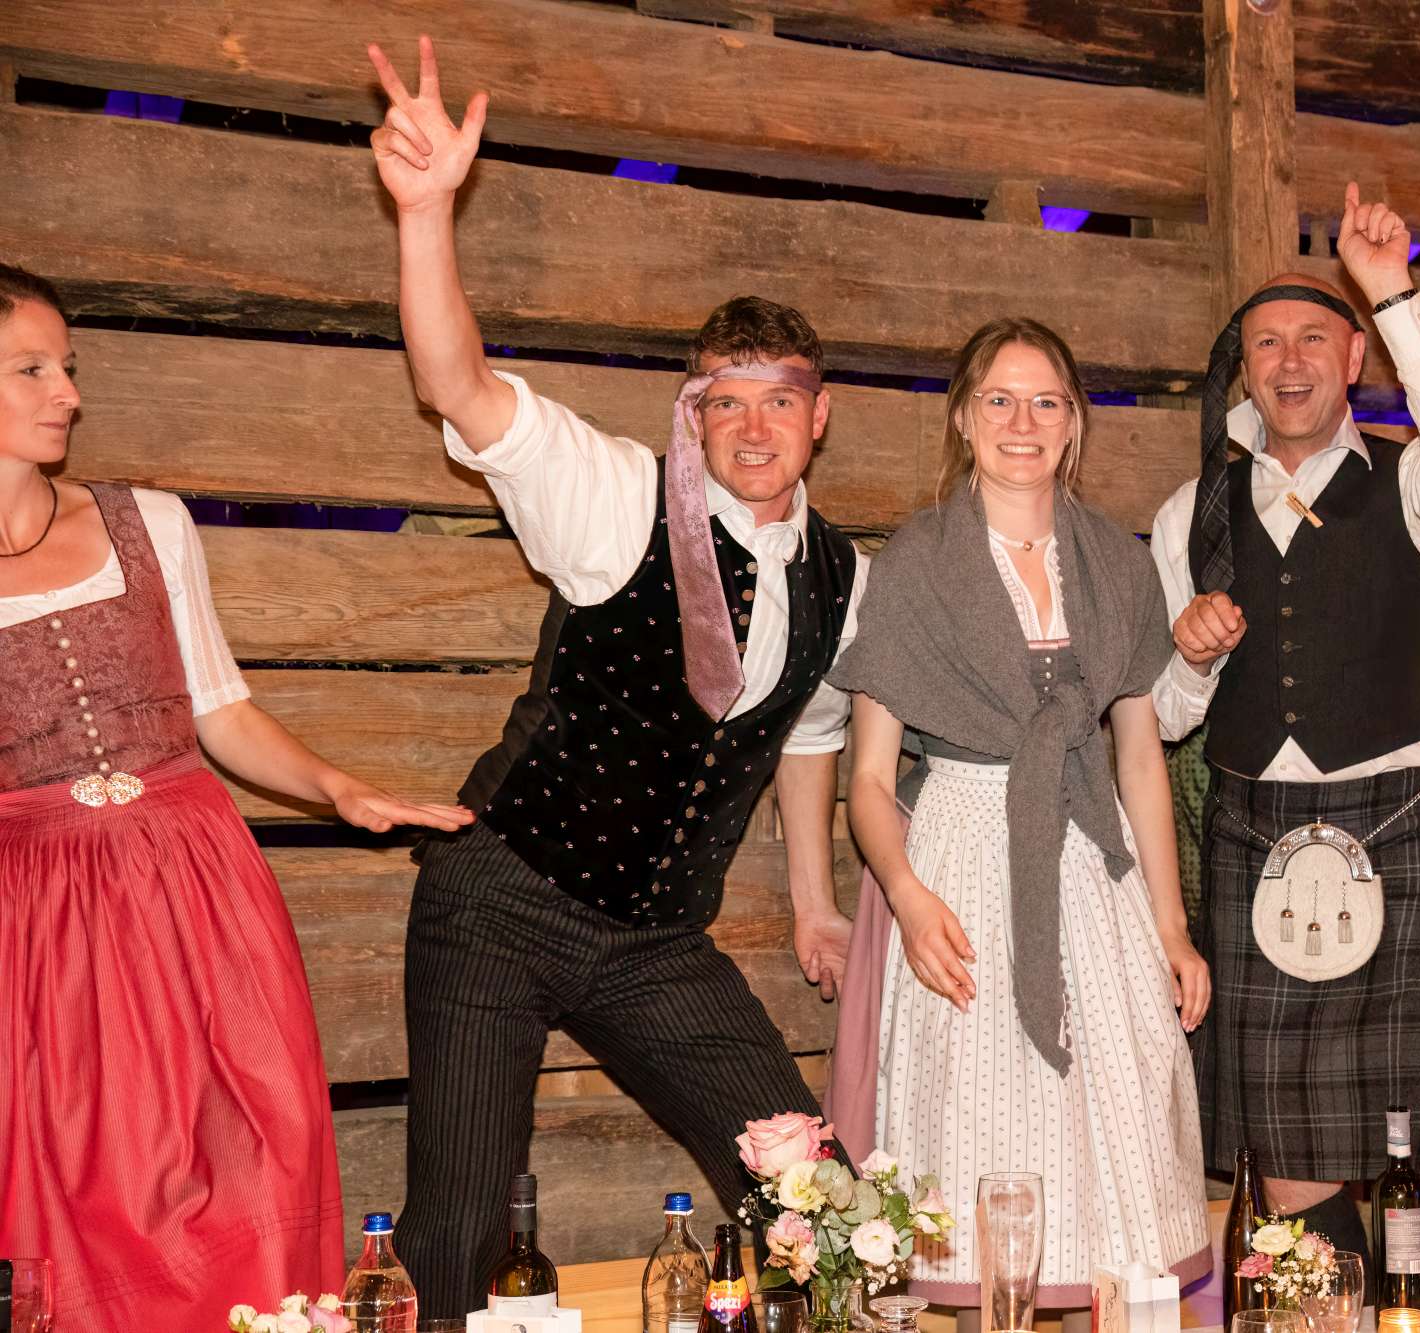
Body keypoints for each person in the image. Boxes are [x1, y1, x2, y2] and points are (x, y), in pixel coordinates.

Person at [364, 40, 863, 1314]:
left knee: (819, 1204)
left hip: (654, 938)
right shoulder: (614, 495)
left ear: (819, 416)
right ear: (692, 415)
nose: (752, 425)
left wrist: (813, 902)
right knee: (460, 1227)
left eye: (779, 400)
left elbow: (807, 729)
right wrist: (424, 215)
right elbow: (458, 385)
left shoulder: (842, 576)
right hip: (502, 902)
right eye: (723, 401)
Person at [0, 264, 471, 1327]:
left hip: (194, 884)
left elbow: (219, 711)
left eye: (67, 366)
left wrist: (341, 788)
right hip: (40, 916)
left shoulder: (149, 522)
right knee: (89, 1181)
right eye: (31, 369)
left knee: (259, 1144)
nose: (67, 392)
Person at [1150, 184, 1420, 1266]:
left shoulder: (1416, 482)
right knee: (1287, 1136)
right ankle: (1320, 1307)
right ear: (1243, 370)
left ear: (1355, 357)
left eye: (1314, 338)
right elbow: (1166, 712)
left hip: (1394, 821)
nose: (1289, 360)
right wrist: (1190, 654)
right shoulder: (1191, 512)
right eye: (1266, 343)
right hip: (1252, 831)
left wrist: (1391, 291)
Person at [830, 319, 1211, 1306]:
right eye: (998, 399)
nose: (1021, 421)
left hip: (1092, 858)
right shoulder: (916, 562)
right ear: (964, 418)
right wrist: (907, 896)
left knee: (1117, 1117)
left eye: (1046, 401)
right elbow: (867, 776)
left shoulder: (1117, 563)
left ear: (1074, 423)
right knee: (976, 1121)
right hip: (960, 858)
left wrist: (1170, 927)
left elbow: (1139, 756)